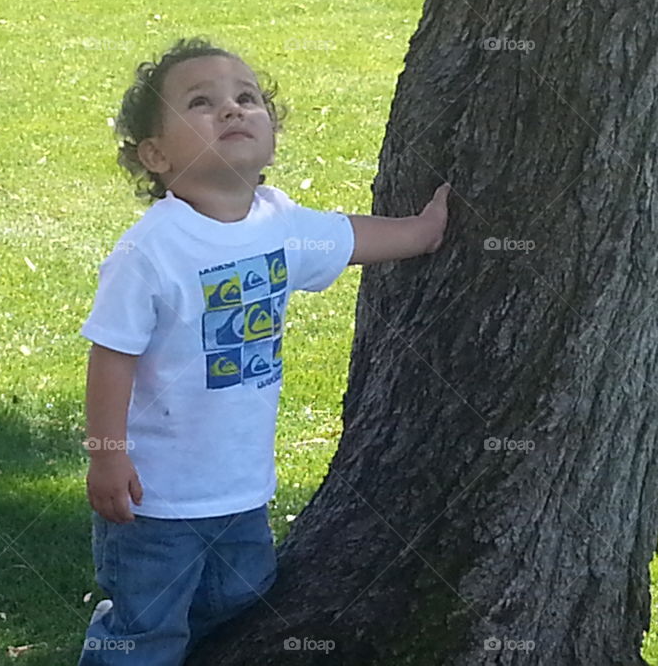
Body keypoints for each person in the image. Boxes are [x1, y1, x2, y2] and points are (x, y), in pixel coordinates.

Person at [76, 36, 451, 665]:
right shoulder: (154, 250)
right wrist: (108, 456)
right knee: (145, 628)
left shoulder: (277, 223)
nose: (231, 110)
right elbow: (111, 355)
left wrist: (421, 232)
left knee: (239, 596)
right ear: (156, 154)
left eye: (246, 98)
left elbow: (348, 237)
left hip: (241, 487)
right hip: (155, 500)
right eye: (202, 102)